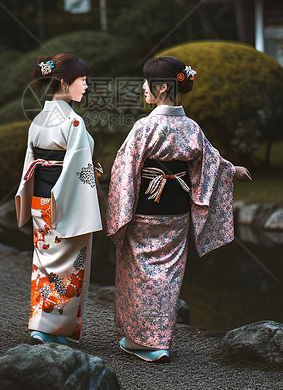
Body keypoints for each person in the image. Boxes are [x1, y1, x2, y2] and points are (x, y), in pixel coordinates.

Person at [105, 55, 252, 362]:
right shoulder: (190, 127)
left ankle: (145, 339)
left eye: (146, 82)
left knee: (139, 271)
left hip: (145, 209)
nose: (143, 87)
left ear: (160, 88)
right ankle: (159, 340)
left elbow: (124, 168)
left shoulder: (145, 126)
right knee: (168, 275)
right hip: (177, 212)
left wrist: (120, 210)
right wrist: (231, 169)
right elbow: (210, 161)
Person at [14, 53, 103, 345]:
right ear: (65, 82)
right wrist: (94, 173)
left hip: (41, 200)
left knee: (44, 263)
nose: (86, 87)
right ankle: (53, 330)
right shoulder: (73, 121)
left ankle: (42, 322)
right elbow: (79, 168)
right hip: (64, 203)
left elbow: (33, 161)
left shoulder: (39, 118)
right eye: (82, 81)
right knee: (69, 267)